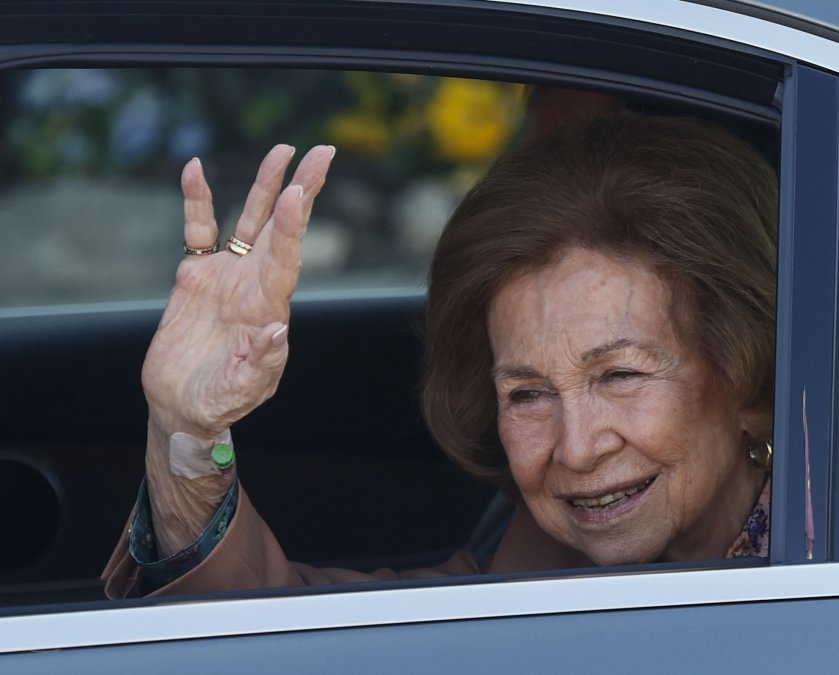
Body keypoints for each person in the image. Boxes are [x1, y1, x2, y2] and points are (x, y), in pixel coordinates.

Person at [102, 112, 778, 598]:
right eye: (527, 392)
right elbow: (316, 639)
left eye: (621, 373)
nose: (575, 449)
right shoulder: (558, 551)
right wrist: (187, 433)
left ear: (747, 380)